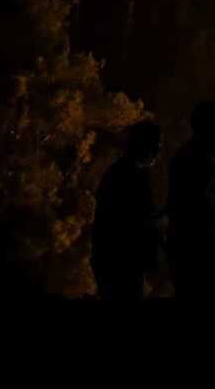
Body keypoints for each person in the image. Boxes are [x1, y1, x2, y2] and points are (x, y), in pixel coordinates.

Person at [164, 100, 215, 389]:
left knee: (200, 320)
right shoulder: (196, 160)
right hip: (197, 252)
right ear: (206, 127)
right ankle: (201, 379)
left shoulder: (199, 157)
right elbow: (191, 208)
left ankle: (199, 375)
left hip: (197, 248)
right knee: (202, 321)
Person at [92, 121, 164, 306]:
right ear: (142, 144)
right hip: (118, 262)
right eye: (155, 146)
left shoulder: (135, 175)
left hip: (126, 262)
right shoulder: (124, 176)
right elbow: (125, 221)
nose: (158, 152)